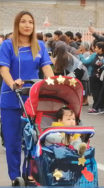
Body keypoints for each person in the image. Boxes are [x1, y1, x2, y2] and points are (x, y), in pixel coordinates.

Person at [0, 11, 54, 184]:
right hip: (11, 98)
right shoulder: (7, 45)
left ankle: (29, 174)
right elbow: (4, 69)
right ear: (17, 24)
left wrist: (53, 83)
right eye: (23, 21)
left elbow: (46, 68)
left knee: (33, 139)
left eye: (30, 22)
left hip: (33, 99)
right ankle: (15, 176)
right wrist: (13, 83)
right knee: (13, 142)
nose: (27, 25)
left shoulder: (39, 45)